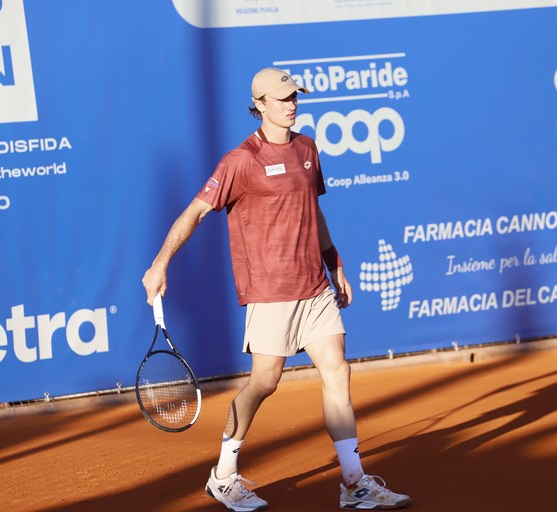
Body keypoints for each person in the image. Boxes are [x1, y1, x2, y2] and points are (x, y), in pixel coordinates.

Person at [142, 67, 411, 511]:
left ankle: (353, 482)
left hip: (314, 288)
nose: (292, 103)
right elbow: (194, 213)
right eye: (282, 98)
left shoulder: (308, 148)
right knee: (264, 383)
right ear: (260, 105)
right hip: (270, 291)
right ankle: (223, 475)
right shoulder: (240, 161)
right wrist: (160, 262)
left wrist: (334, 260)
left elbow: (313, 210)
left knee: (337, 371)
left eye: (294, 96)